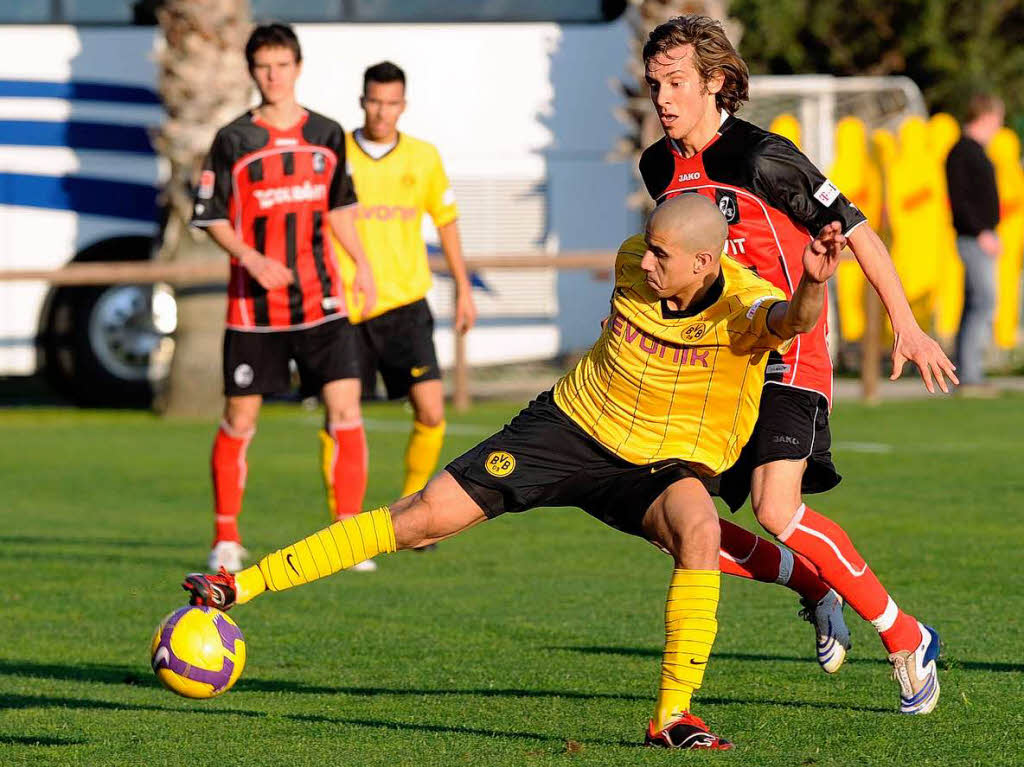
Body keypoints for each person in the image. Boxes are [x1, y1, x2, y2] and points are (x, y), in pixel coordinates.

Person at [185, 194, 845, 750]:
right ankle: (237, 585)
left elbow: (792, 320)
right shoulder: (631, 265)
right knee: (421, 520)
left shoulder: (746, 305)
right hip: (568, 426)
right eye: (646, 245)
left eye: (661, 255)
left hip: (661, 463)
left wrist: (813, 281)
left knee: (698, 527)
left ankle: (672, 716)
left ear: (707, 262)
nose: (643, 260)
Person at [636, 15, 954, 714]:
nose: (662, 97)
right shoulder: (658, 166)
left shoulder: (763, 158)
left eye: (677, 82)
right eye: (655, 83)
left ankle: (906, 637)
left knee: (778, 506)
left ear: (716, 82)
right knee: (670, 519)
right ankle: (813, 585)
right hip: (717, 364)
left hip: (788, 350)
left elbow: (858, 226)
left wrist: (906, 324)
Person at [191, 23, 376, 572]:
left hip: (323, 301)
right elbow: (211, 215)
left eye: (282, 65)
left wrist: (362, 265)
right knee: (239, 418)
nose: (273, 76)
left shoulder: (327, 133)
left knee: (345, 409)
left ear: (297, 67)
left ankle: (347, 535)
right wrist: (252, 259)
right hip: (255, 308)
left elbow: (340, 207)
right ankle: (226, 537)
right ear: (253, 72)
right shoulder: (233, 139)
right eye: (263, 67)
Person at [321, 61, 477, 567]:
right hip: (348, 306)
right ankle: (344, 528)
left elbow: (447, 222)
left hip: (406, 306)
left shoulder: (424, 158)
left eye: (391, 103)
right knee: (340, 416)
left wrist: (463, 288)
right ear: (361, 101)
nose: (381, 111)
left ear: (402, 106)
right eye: (373, 101)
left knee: (432, 412)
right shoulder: (336, 154)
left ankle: (410, 515)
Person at [945, 93, 1004, 396]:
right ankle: (969, 373)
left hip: (982, 236)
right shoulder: (962, 152)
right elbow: (961, 200)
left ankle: (967, 370)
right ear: (986, 116)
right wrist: (981, 230)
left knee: (976, 303)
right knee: (983, 302)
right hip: (973, 237)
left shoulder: (976, 151)